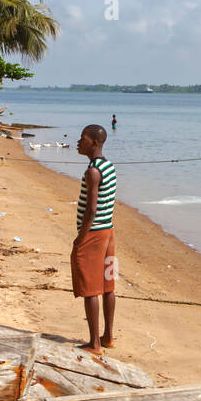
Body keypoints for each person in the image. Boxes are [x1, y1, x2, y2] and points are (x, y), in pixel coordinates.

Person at [71, 124, 117, 354]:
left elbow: (91, 210)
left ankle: (95, 344)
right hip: (109, 232)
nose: (79, 142)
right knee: (108, 286)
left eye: (83, 139)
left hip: (94, 234)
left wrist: (81, 238)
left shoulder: (93, 171)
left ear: (94, 143)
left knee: (90, 288)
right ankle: (108, 336)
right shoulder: (109, 166)